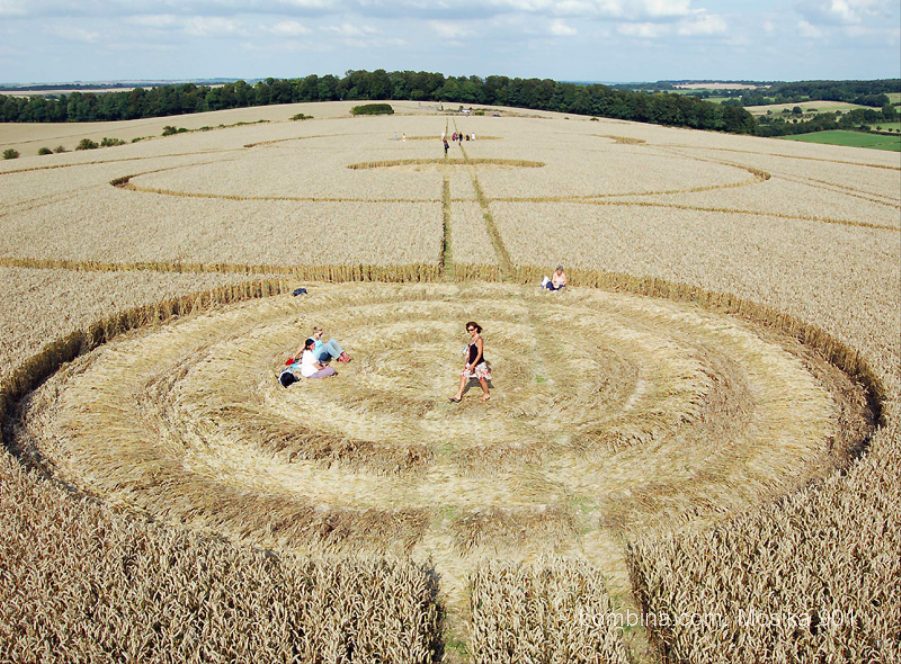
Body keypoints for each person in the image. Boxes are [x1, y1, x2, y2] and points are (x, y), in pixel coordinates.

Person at [449, 321, 491, 403]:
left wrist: (473, 365)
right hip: (470, 362)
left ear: (476, 328)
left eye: (472, 330)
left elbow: (479, 354)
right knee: (463, 376)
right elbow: (470, 351)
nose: (470, 332)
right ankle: (458, 396)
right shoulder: (472, 338)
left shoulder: (479, 339)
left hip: (478, 364)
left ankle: (487, 394)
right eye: (469, 330)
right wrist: (467, 362)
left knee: (481, 379)